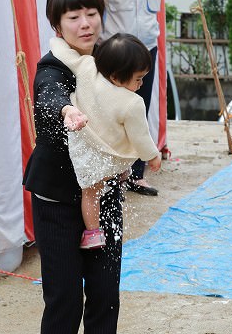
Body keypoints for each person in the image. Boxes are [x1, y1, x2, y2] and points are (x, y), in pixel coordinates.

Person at [22, 0, 124, 334]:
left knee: (105, 292)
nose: (85, 23)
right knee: (64, 294)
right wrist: (65, 110)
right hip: (57, 198)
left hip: (104, 194)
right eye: (73, 16)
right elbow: (48, 100)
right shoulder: (52, 67)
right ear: (57, 24)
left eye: (91, 13)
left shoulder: (110, 61)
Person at [49, 32, 161, 249]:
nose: (141, 84)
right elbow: (140, 138)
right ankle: (93, 233)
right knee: (94, 192)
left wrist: (58, 39)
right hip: (106, 155)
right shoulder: (133, 103)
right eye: (138, 78)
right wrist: (152, 156)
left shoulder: (88, 68)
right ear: (118, 77)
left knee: (89, 193)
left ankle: (93, 232)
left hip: (82, 146)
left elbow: (65, 54)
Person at [81, 0, 163, 196]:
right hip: (113, 53)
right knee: (110, 113)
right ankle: (108, 174)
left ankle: (136, 174)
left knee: (140, 106)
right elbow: (83, 2)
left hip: (147, 48)